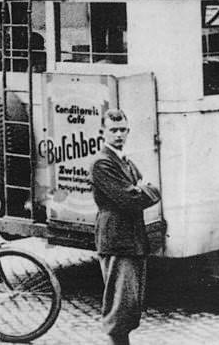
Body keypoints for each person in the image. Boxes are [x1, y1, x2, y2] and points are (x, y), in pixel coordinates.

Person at [91, 109, 161, 345]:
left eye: (123, 130)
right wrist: (146, 189)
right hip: (117, 240)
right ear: (103, 132)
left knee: (130, 306)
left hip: (132, 239)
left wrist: (143, 189)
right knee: (120, 308)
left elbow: (141, 191)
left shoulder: (124, 161)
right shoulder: (103, 163)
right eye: (113, 130)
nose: (119, 134)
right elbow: (131, 198)